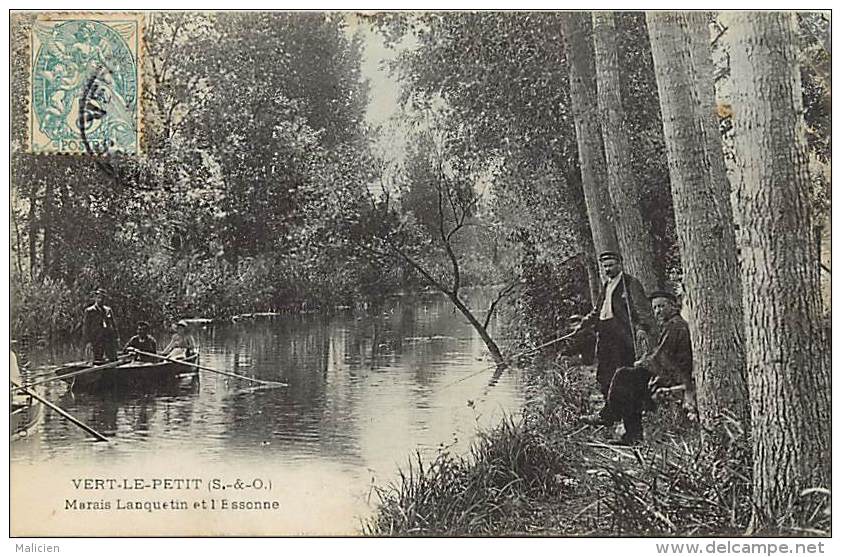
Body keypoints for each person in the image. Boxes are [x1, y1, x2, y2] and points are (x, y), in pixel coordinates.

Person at [575, 251, 657, 425]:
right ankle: (612, 413)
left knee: (622, 377)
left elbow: (642, 309)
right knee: (604, 376)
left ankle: (625, 420)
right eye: (605, 266)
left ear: (620, 264)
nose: (608, 269)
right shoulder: (606, 286)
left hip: (622, 337)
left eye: (611, 265)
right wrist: (585, 322)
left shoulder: (630, 283)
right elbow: (598, 311)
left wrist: (642, 327)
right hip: (605, 336)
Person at [605, 289, 695, 445]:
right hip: (669, 372)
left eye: (661, 306)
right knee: (627, 381)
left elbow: (662, 356)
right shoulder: (669, 325)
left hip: (677, 375)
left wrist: (643, 363)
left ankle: (612, 416)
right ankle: (628, 431)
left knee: (624, 376)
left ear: (673, 307)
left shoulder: (676, 325)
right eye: (655, 308)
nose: (658, 311)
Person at [83, 288, 120, 362]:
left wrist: (117, 337)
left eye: (103, 298)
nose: (101, 300)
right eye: (99, 298)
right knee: (98, 359)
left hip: (108, 339)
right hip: (96, 340)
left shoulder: (108, 310)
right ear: (95, 298)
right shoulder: (90, 311)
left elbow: (113, 325)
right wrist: (88, 342)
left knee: (113, 358)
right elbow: (86, 328)